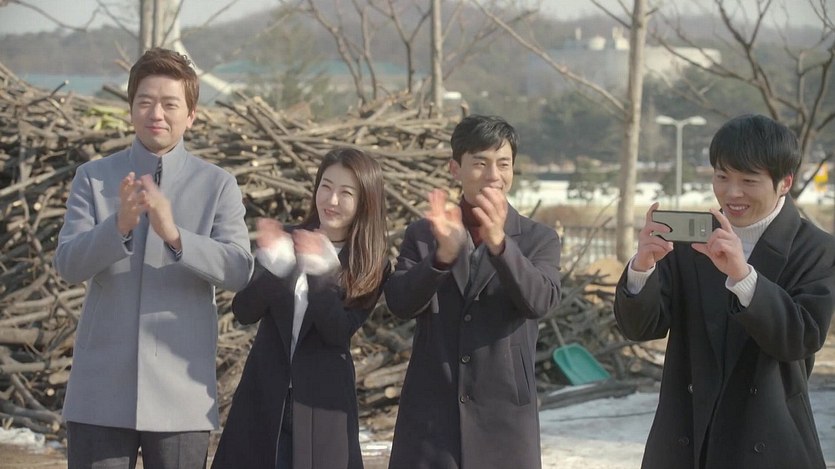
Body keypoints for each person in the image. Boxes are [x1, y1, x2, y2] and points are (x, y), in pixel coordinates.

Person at [53, 48, 253, 468]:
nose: (156, 114)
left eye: (170, 104)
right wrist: (119, 226)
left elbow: (239, 269)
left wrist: (175, 235)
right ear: (130, 110)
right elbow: (68, 264)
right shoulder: (93, 178)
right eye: (145, 102)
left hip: (183, 391)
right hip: (100, 391)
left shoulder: (218, 184)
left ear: (191, 115)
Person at [614, 114, 835, 469]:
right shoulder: (690, 240)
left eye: (749, 180)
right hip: (687, 436)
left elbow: (802, 338)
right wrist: (642, 267)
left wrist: (743, 277)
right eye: (722, 177)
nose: (732, 193)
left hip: (769, 439)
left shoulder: (815, 249)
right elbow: (640, 328)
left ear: (785, 183)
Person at [384, 115, 562, 469]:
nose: (493, 175)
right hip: (432, 419)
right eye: (480, 163)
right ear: (455, 169)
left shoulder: (538, 239)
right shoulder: (424, 234)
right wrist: (440, 258)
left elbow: (540, 301)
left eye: (504, 164)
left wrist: (500, 245)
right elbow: (400, 302)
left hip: (505, 419)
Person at [211, 148, 390, 469]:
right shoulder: (287, 238)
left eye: (346, 193)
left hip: (323, 403)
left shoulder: (369, 262)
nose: (332, 200)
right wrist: (275, 267)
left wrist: (320, 273)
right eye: (326, 186)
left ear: (366, 201)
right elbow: (244, 311)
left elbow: (337, 332)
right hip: (264, 395)